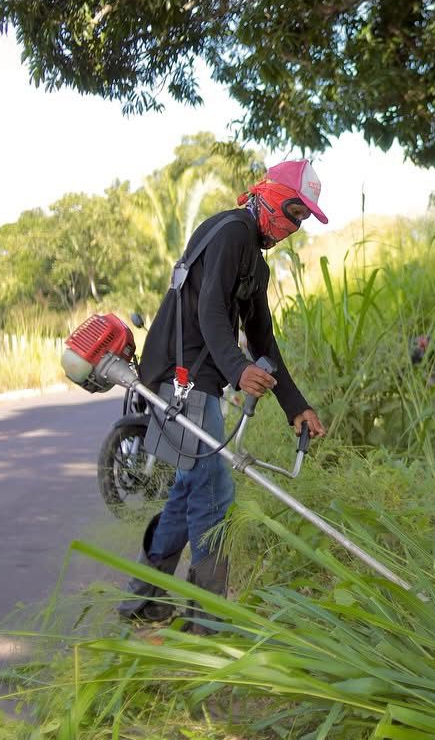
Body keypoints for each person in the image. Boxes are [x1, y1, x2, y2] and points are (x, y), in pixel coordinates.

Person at [119, 159, 329, 632]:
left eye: (303, 220)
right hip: (183, 376)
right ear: (269, 195)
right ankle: (208, 620)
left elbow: (263, 340)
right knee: (215, 491)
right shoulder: (233, 232)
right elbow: (212, 310)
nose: (294, 226)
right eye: (293, 212)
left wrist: (296, 406)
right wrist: (239, 370)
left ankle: (141, 599)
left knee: (190, 489)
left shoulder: (253, 258)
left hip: (197, 378)